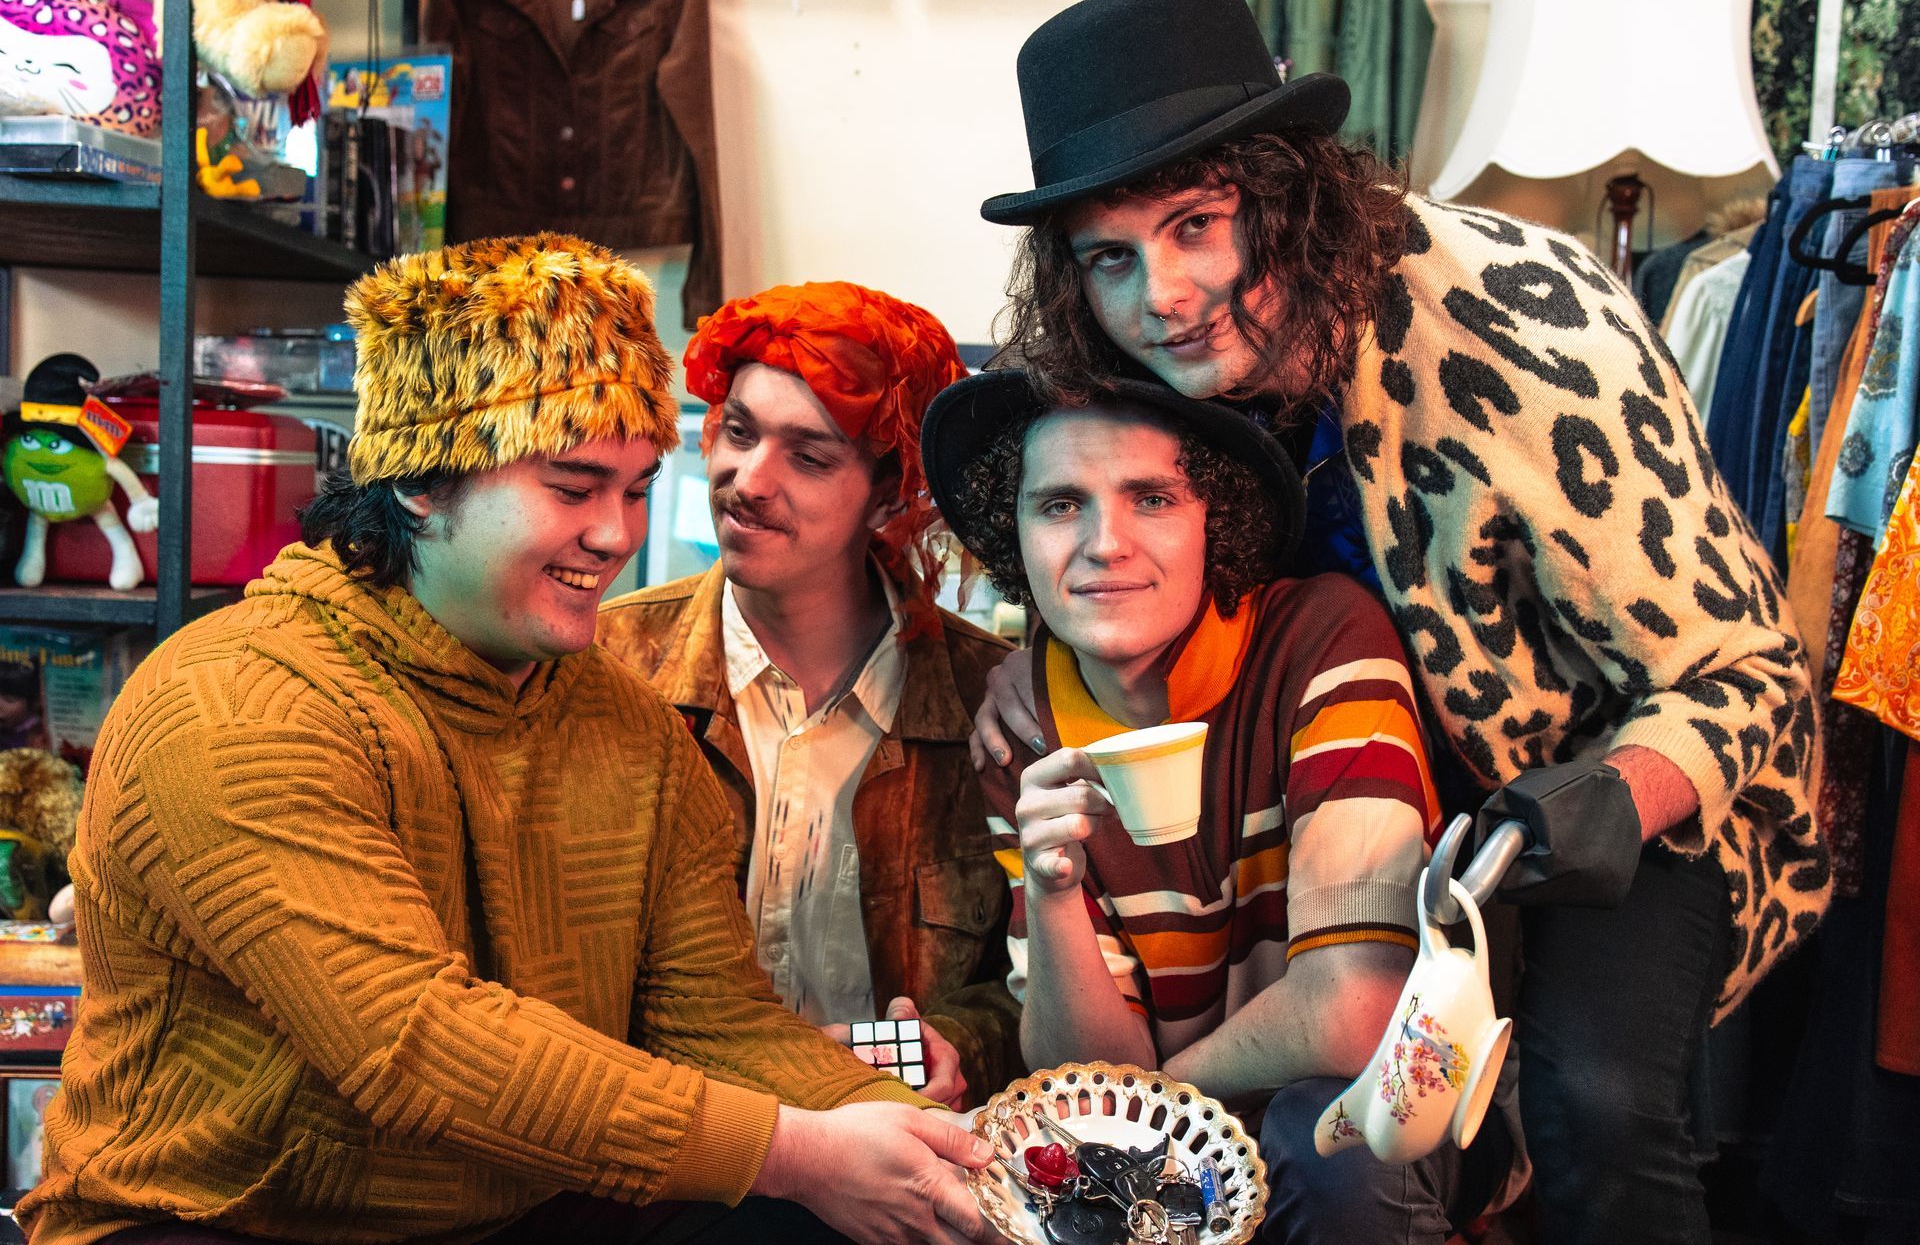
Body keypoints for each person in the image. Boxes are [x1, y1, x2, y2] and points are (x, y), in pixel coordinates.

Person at [967, 0, 1831, 1244]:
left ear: (1289, 190)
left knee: (1590, 1096)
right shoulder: (1139, 356)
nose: (1160, 294)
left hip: (1639, 779)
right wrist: (1030, 656)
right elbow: (1085, 510)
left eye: (1198, 224)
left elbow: (1749, 668)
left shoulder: (1523, 333)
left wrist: (1607, 796)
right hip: (1379, 795)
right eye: (1112, 254)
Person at [17, 236, 997, 1245]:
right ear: (420, 482)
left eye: (635, 486)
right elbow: (412, 1043)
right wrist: (796, 1149)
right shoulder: (234, 700)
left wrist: (956, 1158)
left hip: (514, 1202)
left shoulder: (621, 718)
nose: (617, 533)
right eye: (574, 488)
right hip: (226, 1220)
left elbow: (718, 1020)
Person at [921, 367, 1518, 1240]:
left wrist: (1147, 1114)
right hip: (1179, 1159)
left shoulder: (1320, 638)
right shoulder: (1020, 736)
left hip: (1366, 1121)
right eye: (1058, 505)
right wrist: (1052, 896)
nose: (1104, 544)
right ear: (1014, 536)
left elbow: (1354, 1009)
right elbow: (1088, 1072)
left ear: (1218, 520)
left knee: (1322, 1144)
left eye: (1152, 499)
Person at [597, 282, 1020, 1108]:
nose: (749, 480)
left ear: (893, 494)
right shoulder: (606, 665)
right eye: (740, 432)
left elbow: (1039, 984)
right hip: (675, 1161)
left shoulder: (991, 701)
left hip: (900, 1160)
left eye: (810, 456)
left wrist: (960, 1043)